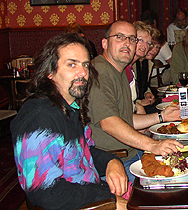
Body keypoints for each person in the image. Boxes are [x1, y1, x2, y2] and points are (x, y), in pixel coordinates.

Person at [10, 33, 128, 209]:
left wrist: (112, 161)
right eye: (72, 64)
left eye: (85, 65)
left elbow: (84, 153)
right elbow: (45, 192)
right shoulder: (39, 118)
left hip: (93, 193)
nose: (82, 73)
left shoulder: (71, 106)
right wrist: (107, 199)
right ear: (50, 72)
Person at [88, 21, 183, 184]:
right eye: (120, 37)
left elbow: (126, 119)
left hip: (132, 153)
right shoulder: (100, 73)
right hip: (114, 161)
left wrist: (162, 116)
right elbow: (109, 123)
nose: (127, 43)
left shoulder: (120, 71)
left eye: (132, 39)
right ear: (104, 43)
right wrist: (152, 145)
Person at [125, 21, 157, 114]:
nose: (145, 46)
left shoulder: (142, 63)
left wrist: (147, 93)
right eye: (141, 40)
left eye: (148, 43)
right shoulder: (122, 66)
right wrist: (139, 104)